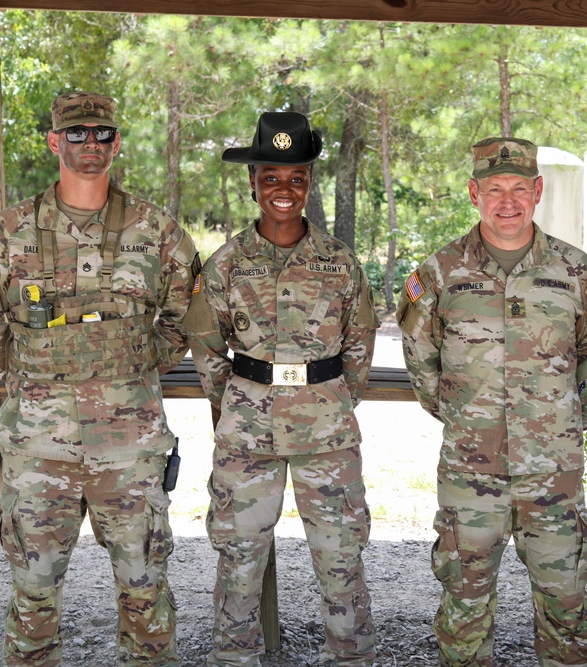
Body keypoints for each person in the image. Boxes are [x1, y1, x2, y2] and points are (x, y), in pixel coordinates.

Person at [0, 91, 199, 666]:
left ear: (117, 142)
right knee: (34, 589)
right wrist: (29, 376)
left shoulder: (156, 230)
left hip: (129, 444)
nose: (92, 144)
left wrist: (131, 370)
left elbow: (184, 314)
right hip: (39, 444)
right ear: (54, 141)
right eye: (79, 133)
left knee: (144, 585)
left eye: (103, 134)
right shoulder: (10, 230)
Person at [397, 137, 587, 667]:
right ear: (474, 193)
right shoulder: (440, 272)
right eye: (494, 189)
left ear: (538, 191)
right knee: (465, 601)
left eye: (520, 188)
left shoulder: (577, 271)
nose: (508, 201)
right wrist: (465, 417)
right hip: (471, 471)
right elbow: (421, 360)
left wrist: (559, 425)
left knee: (565, 597)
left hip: (553, 471)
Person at [184, 111, 380, 667]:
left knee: (340, 556)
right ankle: (235, 657)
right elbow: (205, 343)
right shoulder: (225, 265)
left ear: (310, 184)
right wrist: (241, 399)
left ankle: (351, 657)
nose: (283, 190)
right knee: (239, 556)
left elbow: (360, 345)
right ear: (253, 184)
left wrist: (333, 397)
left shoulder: (340, 262)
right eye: (271, 178)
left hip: (327, 430)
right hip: (247, 432)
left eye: (295, 178)